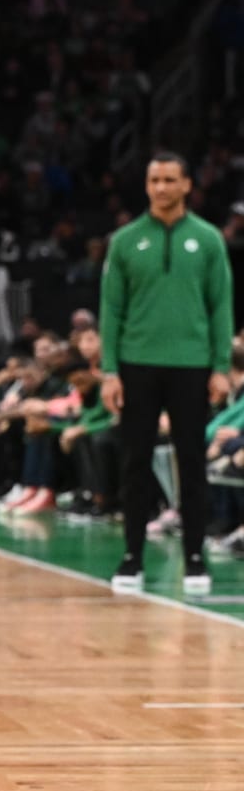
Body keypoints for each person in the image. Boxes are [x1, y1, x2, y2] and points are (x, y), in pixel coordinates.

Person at [101, 151, 234, 594]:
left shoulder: (209, 239)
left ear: (186, 185)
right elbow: (111, 310)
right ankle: (131, 557)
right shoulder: (124, 241)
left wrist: (220, 367)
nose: (161, 187)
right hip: (137, 364)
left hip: (192, 366)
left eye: (169, 179)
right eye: (154, 179)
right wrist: (109, 371)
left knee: (191, 464)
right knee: (135, 463)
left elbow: (221, 307)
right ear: (146, 185)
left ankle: (195, 559)